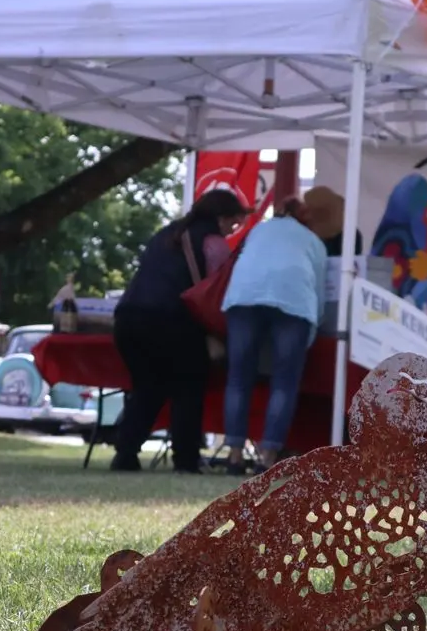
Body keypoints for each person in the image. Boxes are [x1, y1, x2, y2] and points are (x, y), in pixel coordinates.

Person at [111, 189, 249, 474]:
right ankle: (185, 459)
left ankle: (125, 453)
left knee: (147, 388)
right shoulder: (213, 243)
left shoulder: (167, 233)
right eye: (234, 223)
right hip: (172, 320)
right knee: (188, 389)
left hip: (129, 317)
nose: (234, 230)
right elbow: (218, 291)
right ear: (221, 218)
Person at [220, 186, 340, 475]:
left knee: (238, 377)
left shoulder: (258, 231)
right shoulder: (314, 243)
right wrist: (313, 329)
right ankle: (268, 455)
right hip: (293, 303)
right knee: (284, 381)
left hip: (243, 298)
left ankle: (234, 455)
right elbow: (319, 294)